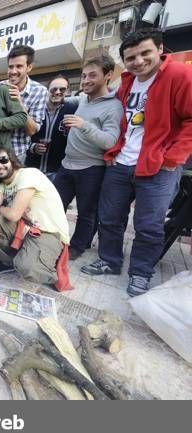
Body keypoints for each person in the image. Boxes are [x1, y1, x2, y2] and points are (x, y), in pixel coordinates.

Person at [81, 29, 192, 297]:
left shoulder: (180, 75)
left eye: (145, 53)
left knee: (148, 225)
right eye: (131, 57)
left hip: (157, 166)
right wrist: (112, 154)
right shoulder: (127, 81)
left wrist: (172, 159)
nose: (139, 61)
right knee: (109, 217)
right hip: (121, 162)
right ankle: (109, 260)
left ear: (160, 49)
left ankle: (141, 273)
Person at [53, 55, 123, 260]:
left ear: (108, 76)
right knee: (55, 205)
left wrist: (84, 125)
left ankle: (77, 247)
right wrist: (55, 95)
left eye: (92, 75)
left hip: (91, 168)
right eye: (83, 76)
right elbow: (62, 99)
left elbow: (110, 141)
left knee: (86, 213)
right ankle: (52, 239)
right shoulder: (83, 98)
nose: (85, 81)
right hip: (67, 165)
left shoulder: (114, 106)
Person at [0, 148, 70, 284]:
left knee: (27, 268)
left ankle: (45, 266)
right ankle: (10, 262)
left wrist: (0, 207)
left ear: (12, 160)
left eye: (3, 160)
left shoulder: (28, 174)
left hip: (49, 233)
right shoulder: (3, 185)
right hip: (25, 228)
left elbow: (14, 215)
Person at [2, 45, 49, 162]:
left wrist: (19, 103)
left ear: (29, 67)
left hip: (17, 154)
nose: (13, 71)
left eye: (19, 66)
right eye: (10, 67)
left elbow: (32, 130)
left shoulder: (40, 91)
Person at [25, 75, 77, 180]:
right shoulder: (36, 108)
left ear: (67, 91)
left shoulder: (73, 110)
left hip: (57, 170)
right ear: (47, 91)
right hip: (32, 169)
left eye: (62, 89)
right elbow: (21, 135)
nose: (57, 92)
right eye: (54, 89)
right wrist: (33, 147)